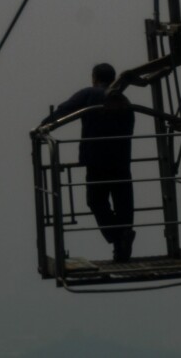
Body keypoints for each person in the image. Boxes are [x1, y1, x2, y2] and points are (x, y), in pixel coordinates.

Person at [42, 63, 136, 262]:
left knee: (95, 200)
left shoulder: (90, 94)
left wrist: (43, 126)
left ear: (94, 78)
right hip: (121, 160)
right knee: (123, 202)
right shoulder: (124, 100)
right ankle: (122, 241)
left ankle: (117, 237)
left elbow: (64, 111)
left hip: (97, 160)